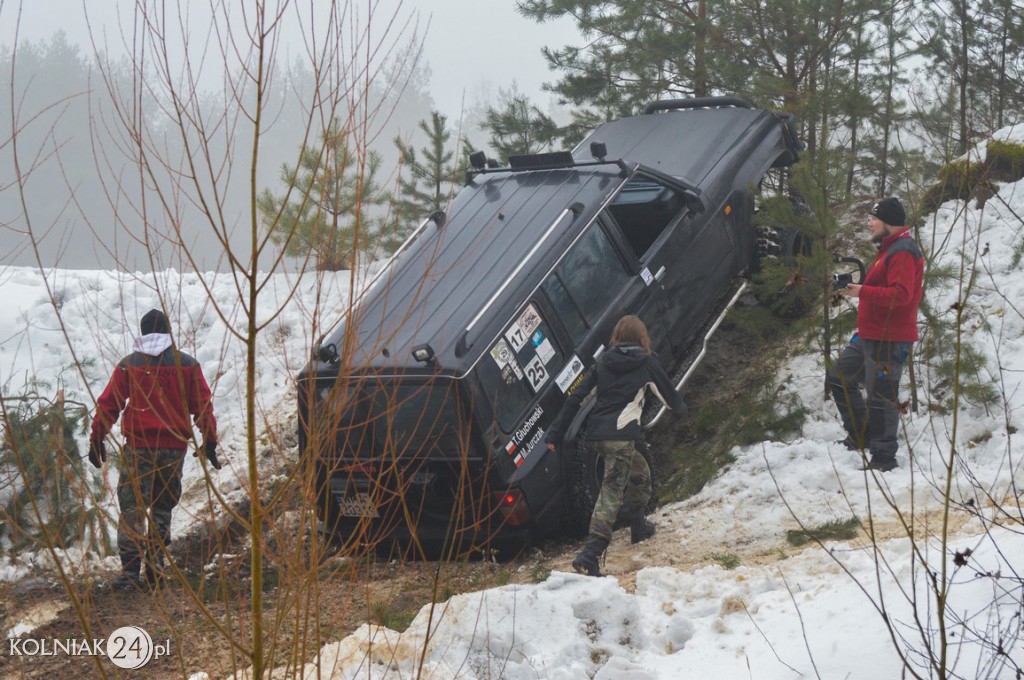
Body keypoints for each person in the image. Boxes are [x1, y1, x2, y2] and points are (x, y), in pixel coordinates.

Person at [89, 309, 220, 591]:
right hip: (173, 451)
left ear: (143, 331)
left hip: (139, 449)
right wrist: (209, 440)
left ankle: (129, 575)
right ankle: (154, 572)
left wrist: (96, 437)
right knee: (161, 509)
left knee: (132, 510)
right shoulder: (188, 365)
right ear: (168, 332)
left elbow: (109, 404)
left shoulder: (129, 365)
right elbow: (203, 405)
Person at [545, 315, 682, 577]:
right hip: (620, 436)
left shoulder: (602, 363)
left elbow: (575, 398)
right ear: (641, 337)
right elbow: (668, 395)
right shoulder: (646, 362)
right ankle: (590, 554)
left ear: (617, 337)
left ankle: (638, 524)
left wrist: (554, 434)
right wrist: (682, 409)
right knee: (612, 490)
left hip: (597, 436)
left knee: (640, 474)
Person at [828, 197, 924, 472]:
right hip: (870, 335)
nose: (869, 223)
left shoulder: (904, 251)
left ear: (888, 222)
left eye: (874, 218)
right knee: (839, 375)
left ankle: (884, 459)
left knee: (882, 395)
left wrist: (861, 291)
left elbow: (901, 295)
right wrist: (856, 286)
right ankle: (862, 436)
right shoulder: (889, 249)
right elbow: (882, 288)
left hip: (889, 339)